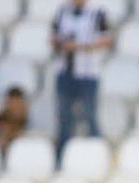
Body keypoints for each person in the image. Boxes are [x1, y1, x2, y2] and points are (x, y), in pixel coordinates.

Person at [51, 0, 113, 155]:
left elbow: (107, 39)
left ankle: (98, 153)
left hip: (88, 73)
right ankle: (63, 155)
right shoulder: (62, 11)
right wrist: (62, 44)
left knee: (89, 115)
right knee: (64, 115)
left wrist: (81, 46)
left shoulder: (97, 12)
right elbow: (53, 37)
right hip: (65, 71)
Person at [0, 86, 29, 155]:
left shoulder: (30, 121)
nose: (15, 107)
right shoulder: (0, 121)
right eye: (12, 104)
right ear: (7, 104)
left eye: (18, 104)